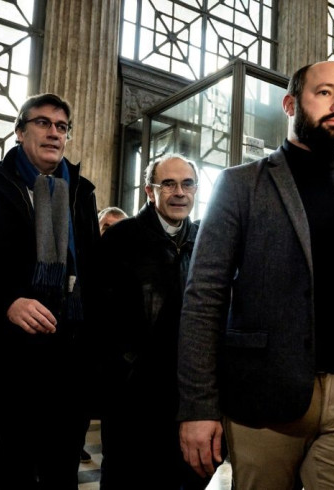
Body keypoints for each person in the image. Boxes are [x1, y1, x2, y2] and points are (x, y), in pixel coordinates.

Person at [176, 61, 334, 489]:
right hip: (264, 393)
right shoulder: (241, 185)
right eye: (325, 92)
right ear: (290, 103)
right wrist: (198, 406)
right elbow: (204, 299)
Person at [0, 93, 100, 489]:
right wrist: (7, 301)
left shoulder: (82, 190)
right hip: (15, 351)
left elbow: (94, 270)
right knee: (15, 465)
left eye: (62, 126)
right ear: (20, 131)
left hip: (73, 351)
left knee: (63, 465)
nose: (54, 133)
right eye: (43, 123)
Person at [98, 154, 212, 489]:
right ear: (150, 190)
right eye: (169, 184)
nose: (180, 192)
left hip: (187, 391)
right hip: (133, 395)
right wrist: (120, 373)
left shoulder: (206, 240)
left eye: (188, 184)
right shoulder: (121, 239)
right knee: (128, 477)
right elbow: (100, 317)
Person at [77, 205, 128, 466]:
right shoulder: (83, 262)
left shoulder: (133, 267)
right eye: (108, 227)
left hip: (115, 372)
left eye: (120, 227)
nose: (114, 233)